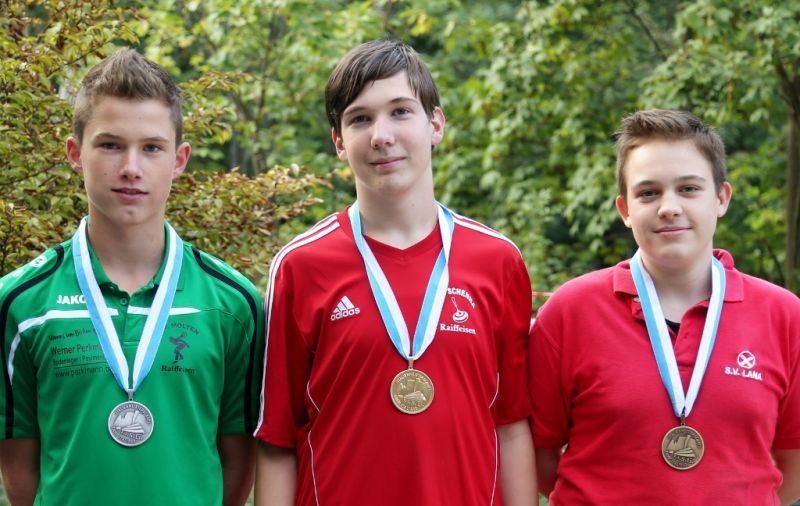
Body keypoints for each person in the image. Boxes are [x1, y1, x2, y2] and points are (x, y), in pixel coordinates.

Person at [254, 40, 535, 505]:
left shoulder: (497, 260)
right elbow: (277, 441)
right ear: (339, 142)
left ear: (435, 124)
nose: (381, 135)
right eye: (360, 119)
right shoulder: (301, 266)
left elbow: (511, 424)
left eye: (400, 111)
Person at [0, 48, 265, 505]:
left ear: (179, 159)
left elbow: (237, 463)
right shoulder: (20, 300)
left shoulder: (233, 304)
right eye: (110, 145)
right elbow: (20, 469)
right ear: (75, 154)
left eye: (152, 148)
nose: (130, 168)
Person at [529, 109, 800, 504]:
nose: (668, 207)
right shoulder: (570, 311)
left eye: (688, 188)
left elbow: (792, 462)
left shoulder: (784, 316)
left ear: (721, 198)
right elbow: (538, 456)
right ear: (624, 210)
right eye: (648, 193)